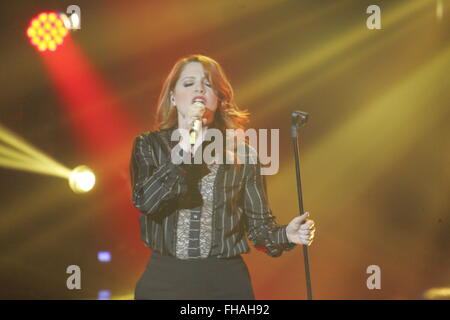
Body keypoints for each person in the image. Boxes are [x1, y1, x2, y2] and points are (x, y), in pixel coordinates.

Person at [130, 54, 316, 300]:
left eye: (208, 84)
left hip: (224, 282)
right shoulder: (149, 145)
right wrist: (184, 150)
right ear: (173, 97)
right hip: (165, 280)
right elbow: (146, 202)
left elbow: (259, 228)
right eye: (188, 83)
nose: (199, 88)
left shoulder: (243, 154)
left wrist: (287, 235)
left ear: (218, 98)